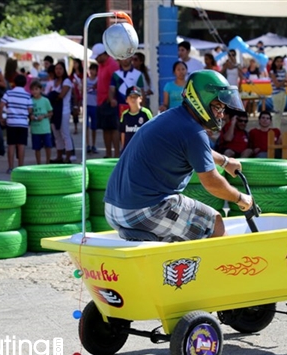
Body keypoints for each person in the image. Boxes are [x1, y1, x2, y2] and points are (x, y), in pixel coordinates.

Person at [104, 69, 253, 242]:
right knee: (214, 222)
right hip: (141, 211)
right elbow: (212, 183)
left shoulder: (172, 118)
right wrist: (241, 199)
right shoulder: (193, 132)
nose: (221, 114)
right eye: (218, 107)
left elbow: (196, 149)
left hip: (113, 209)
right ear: (201, 101)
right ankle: (222, 268)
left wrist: (225, 161)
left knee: (184, 220)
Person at [109, 56, 145, 156]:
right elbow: (112, 89)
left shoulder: (138, 74)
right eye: (123, 58)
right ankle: (118, 154)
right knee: (119, 129)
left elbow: (141, 92)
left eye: (127, 58)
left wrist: (144, 107)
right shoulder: (116, 74)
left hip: (135, 107)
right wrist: (112, 99)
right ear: (119, 60)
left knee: (135, 129)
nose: (125, 60)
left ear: (131, 59)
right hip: (120, 107)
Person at [91, 43, 120, 158]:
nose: (96, 59)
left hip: (110, 102)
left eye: (97, 57)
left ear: (104, 55)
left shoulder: (112, 65)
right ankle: (108, 153)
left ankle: (116, 154)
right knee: (105, 128)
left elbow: (115, 83)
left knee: (113, 128)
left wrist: (112, 98)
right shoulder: (101, 65)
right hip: (101, 101)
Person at [0, 74, 33, 174]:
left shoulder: (8, 93)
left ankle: (10, 167)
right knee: (21, 145)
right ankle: (21, 168)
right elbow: (30, 109)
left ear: (14, 83)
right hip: (22, 123)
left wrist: (1, 118)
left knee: (11, 145)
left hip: (11, 122)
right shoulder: (27, 95)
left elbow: (1, 105)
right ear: (25, 83)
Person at [48, 62, 75, 163]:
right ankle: (59, 155)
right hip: (55, 111)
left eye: (60, 69)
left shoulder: (67, 81)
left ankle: (68, 156)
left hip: (64, 111)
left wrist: (51, 95)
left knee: (65, 133)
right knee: (57, 134)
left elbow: (61, 95)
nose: (58, 71)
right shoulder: (54, 82)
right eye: (56, 69)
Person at [120, 86, 152, 151]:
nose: (133, 99)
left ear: (141, 98)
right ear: (126, 100)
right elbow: (123, 133)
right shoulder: (124, 115)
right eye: (130, 97)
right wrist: (124, 149)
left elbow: (151, 131)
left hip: (142, 149)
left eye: (135, 97)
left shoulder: (146, 113)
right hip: (129, 149)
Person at [29, 80, 53, 165]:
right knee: (37, 148)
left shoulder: (45, 100)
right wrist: (31, 115)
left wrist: (43, 116)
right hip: (35, 129)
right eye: (32, 89)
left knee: (48, 146)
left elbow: (50, 112)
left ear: (41, 90)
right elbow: (29, 112)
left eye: (36, 89)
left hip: (45, 128)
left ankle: (48, 162)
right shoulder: (30, 101)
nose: (34, 91)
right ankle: (38, 163)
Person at [269, 56, 287, 130]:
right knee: (277, 113)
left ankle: (278, 130)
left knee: (280, 114)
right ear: (274, 62)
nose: (279, 63)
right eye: (277, 61)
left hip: (283, 93)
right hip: (276, 94)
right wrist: (284, 81)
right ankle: (276, 130)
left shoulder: (284, 70)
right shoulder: (272, 72)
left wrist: (284, 82)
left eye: (280, 61)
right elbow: (277, 85)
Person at [85, 63, 98, 154]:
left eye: (94, 69)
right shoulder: (86, 80)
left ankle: (93, 144)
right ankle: (87, 144)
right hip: (86, 105)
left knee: (94, 127)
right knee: (86, 126)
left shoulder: (98, 80)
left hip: (95, 105)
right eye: (91, 69)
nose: (92, 71)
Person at [70, 58, 84, 135]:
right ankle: (76, 127)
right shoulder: (72, 75)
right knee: (74, 112)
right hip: (74, 95)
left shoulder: (83, 74)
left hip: (82, 95)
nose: (75, 65)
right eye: (74, 63)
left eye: (76, 63)